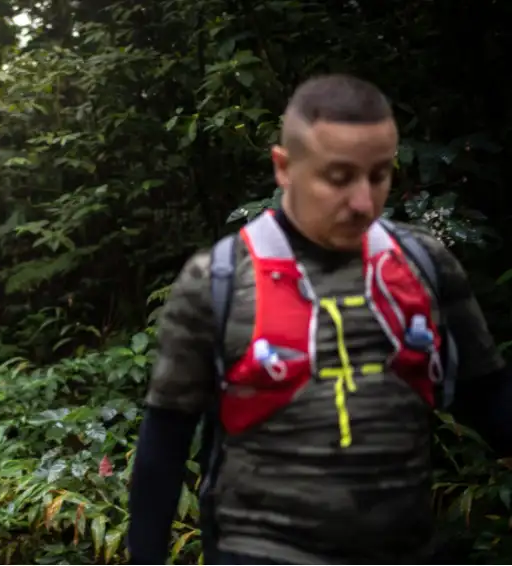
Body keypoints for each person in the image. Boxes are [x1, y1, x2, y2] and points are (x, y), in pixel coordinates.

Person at [126, 74, 512, 564]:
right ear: (283, 168)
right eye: (338, 177)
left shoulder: (424, 266)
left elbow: (487, 394)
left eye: (379, 175)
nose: (363, 202)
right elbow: (165, 439)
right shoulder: (217, 280)